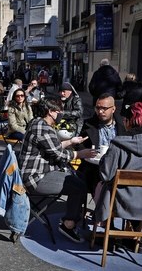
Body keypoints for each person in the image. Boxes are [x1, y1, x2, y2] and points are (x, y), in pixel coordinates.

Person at [18, 98, 96, 243]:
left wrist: (71, 142)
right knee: (79, 186)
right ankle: (68, 225)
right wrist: (79, 154)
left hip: (39, 172)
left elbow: (53, 147)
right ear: (50, 112)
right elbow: (58, 154)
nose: (61, 114)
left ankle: (72, 216)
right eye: (58, 111)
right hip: (35, 178)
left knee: (79, 177)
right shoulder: (43, 127)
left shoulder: (38, 123)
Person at [95, 102, 142, 240]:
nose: (123, 122)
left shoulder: (118, 143)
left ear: (131, 121)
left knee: (101, 185)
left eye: (125, 119)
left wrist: (104, 159)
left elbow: (106, 174)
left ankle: (108, 230)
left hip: (120, 204)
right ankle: (136, 233)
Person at [77, 93, 126, 194]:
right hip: (95, 169)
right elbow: (80, 146)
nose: (100, 111)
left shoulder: (122, 126)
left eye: (104, 108)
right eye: (98, 108)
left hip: (117, 168)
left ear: (113, 109)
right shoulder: (89, 125)